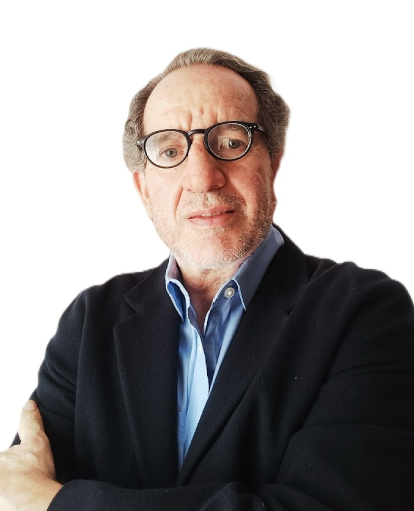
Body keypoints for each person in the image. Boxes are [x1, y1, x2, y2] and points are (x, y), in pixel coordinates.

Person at [1, 47, 413, 511]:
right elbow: (15, 492)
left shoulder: (366, 313)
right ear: (143, 186)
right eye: (170, 150)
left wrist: (58, 502)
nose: (202, 177)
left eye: (232, 142)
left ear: (273, 162)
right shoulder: (90, 323)